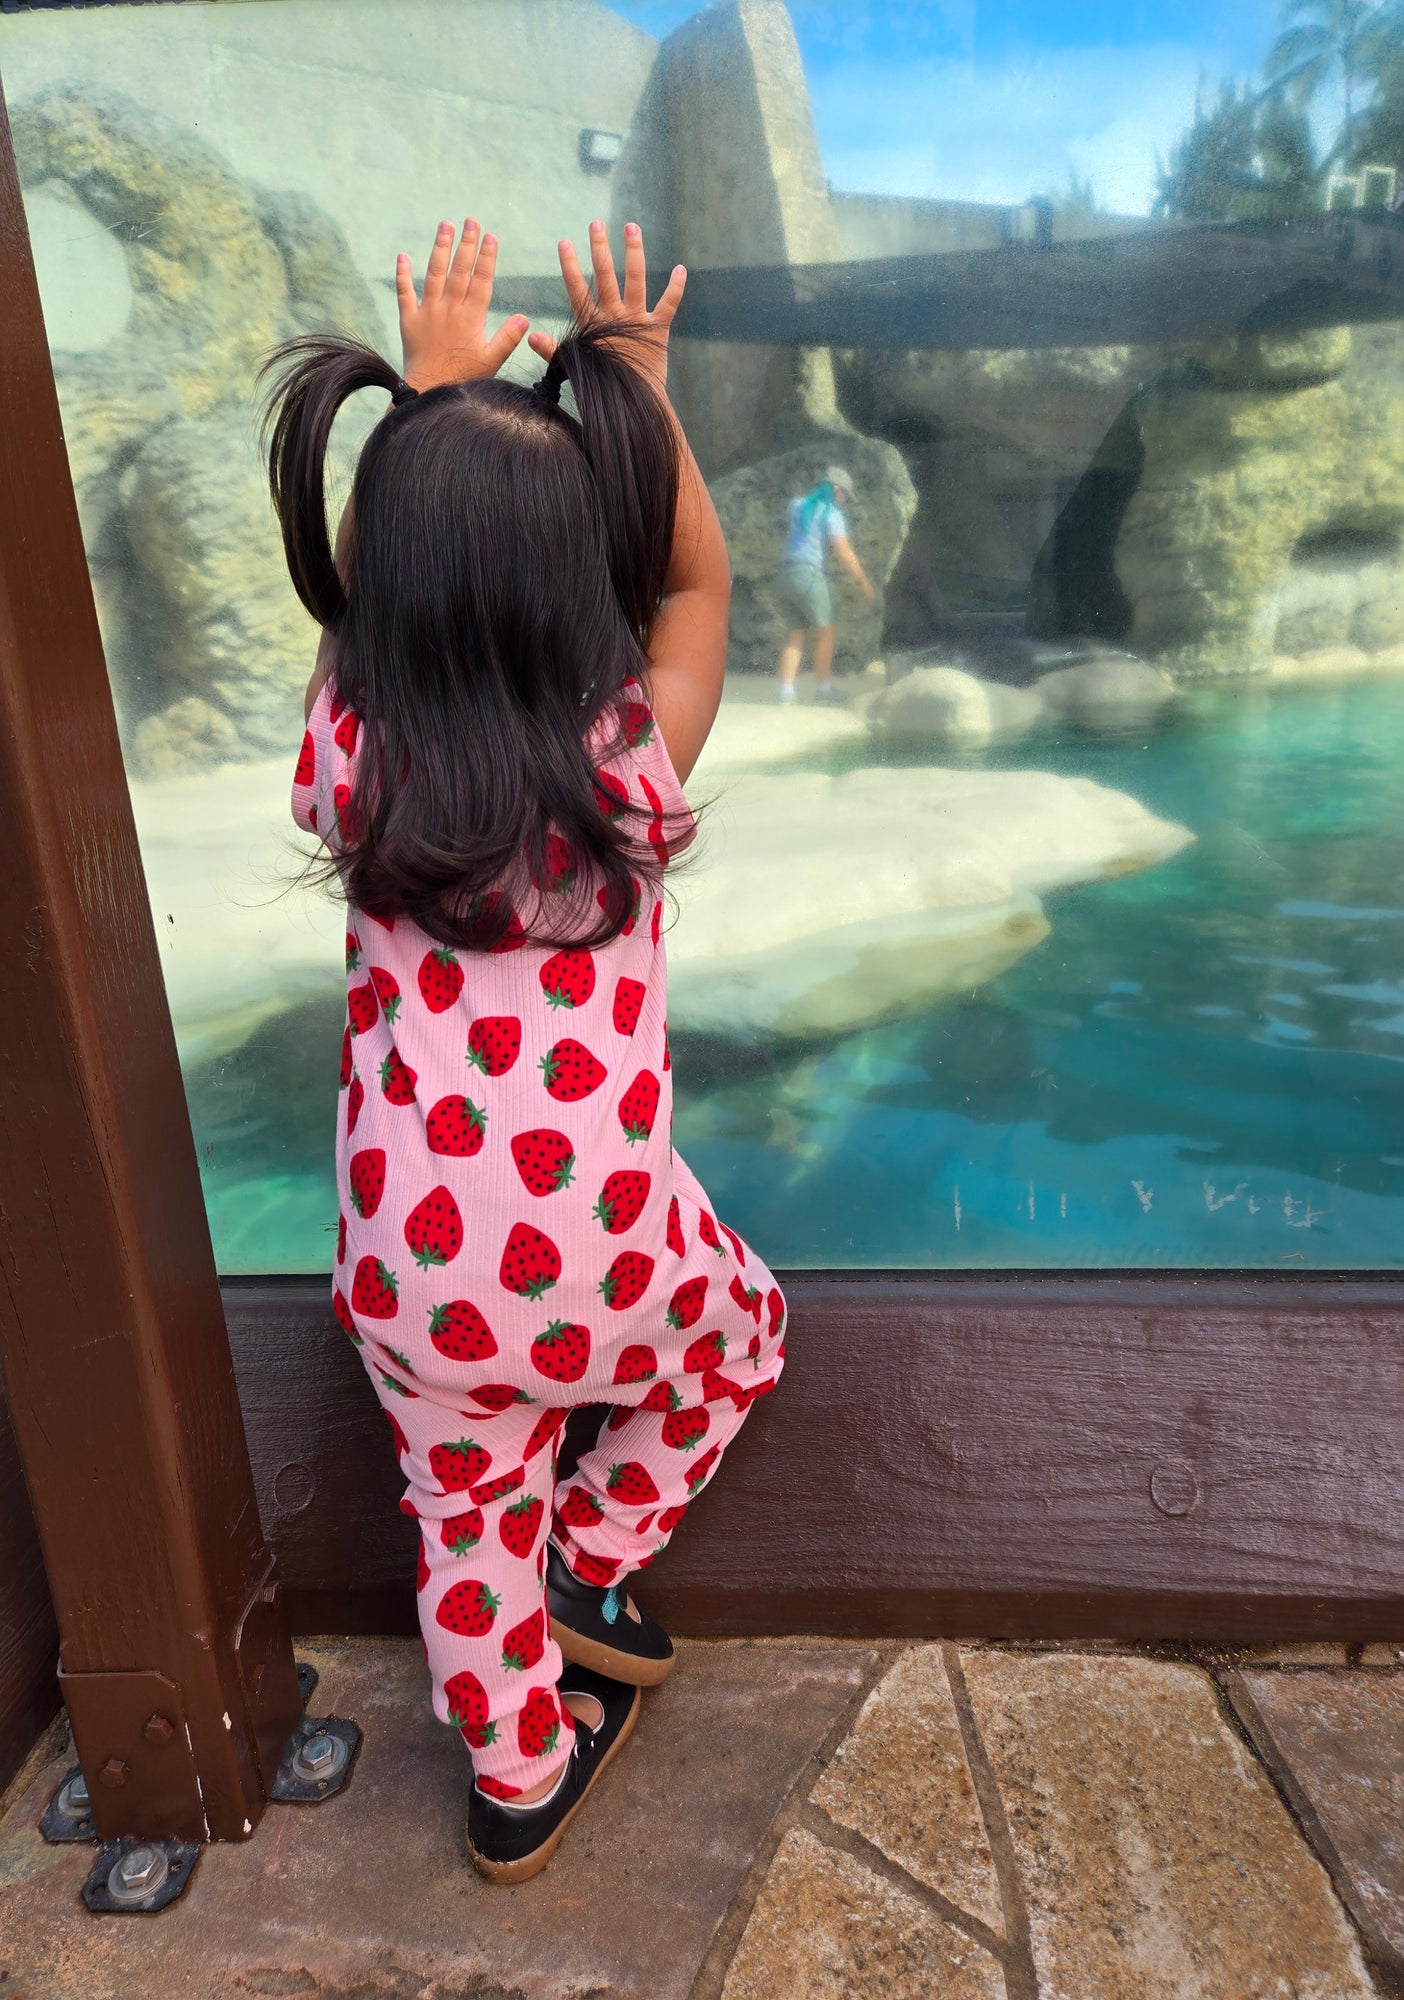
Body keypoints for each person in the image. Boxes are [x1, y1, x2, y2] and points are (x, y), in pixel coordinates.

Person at [264, 216, 784, 1884]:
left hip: (409, 1283)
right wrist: (630, 384)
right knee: (740, 1334)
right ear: (585, 593)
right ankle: (600, 1550)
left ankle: (518, 1779)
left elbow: (366, 597)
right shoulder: (620, 765)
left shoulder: (355, 764)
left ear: (380, 597)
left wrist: (427, 399)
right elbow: (702, 584)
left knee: (457, 1513)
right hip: (601, 1257)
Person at [774, 467, 876, 702]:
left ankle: (785, 693)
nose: (845, 502)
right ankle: (824, 690)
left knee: (795, 636)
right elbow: (844, 552)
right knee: (826, 633)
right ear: (836, 490)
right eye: (845, 496)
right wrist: (863, 581)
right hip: (807, 577)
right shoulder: (832, 513)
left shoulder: (796, 505)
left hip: (784, 576)